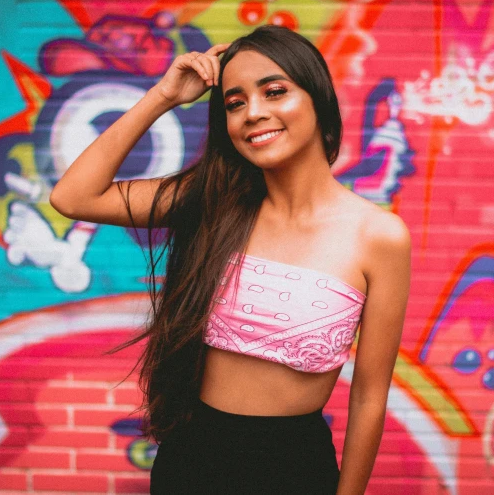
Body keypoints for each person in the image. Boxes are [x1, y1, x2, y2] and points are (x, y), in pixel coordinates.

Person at [49, 25, 411, 495]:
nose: (253, 113)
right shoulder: (211, 202)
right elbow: (74, 196)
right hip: (190, 463)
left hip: (295, 471)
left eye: (274, 91)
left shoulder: (379, 236)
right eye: (234, 103)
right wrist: (163, 96)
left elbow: (368, 398)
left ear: (317, 98)